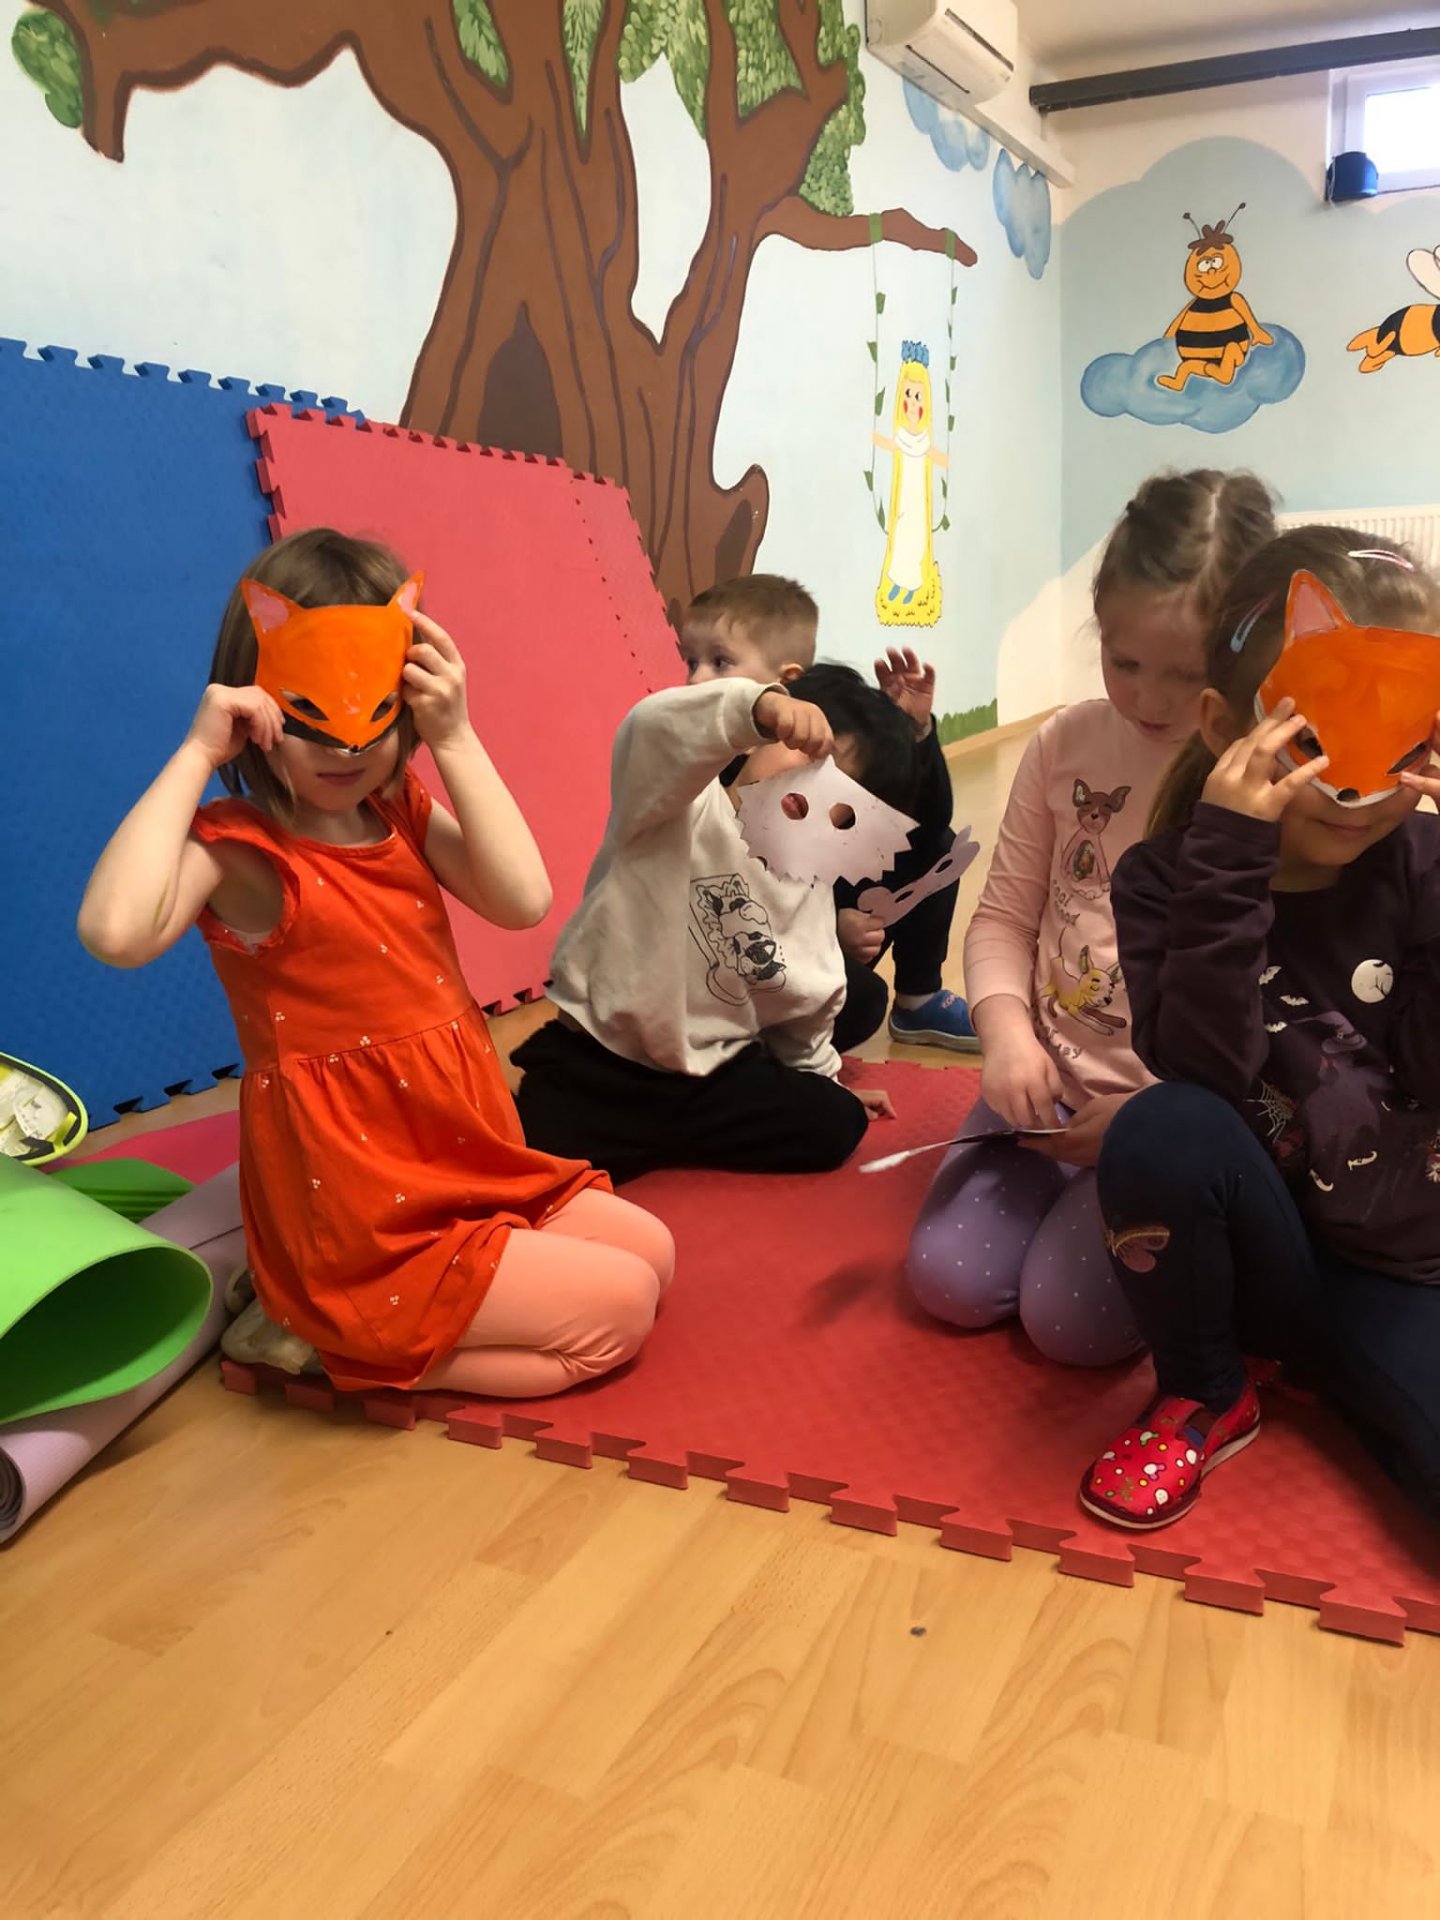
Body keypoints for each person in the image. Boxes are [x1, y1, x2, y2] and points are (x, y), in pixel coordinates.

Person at [77, 527, 673, 1399]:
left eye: (378, 719)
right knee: (617, 1313)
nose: (346, 751)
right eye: (311, 720)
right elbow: (114, 933)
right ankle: (322, 1343)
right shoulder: (241, 853)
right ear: (255, 706)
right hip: (360, 1205)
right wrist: (196, 754)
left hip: (462, 1157)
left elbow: (523, 899)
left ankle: (330, 1325)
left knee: (653, 1251)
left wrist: (456, 738)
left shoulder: (398, 810)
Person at [1085, 529, 1440, 1528]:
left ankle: (1347, 1374)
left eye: (1402, 742)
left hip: (1415, 1250)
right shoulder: (1168, 881)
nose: (1357, 788)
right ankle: (1207, 1389)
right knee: (1161, 1127)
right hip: (1285, 1260)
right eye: (1313, 741)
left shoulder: (1422, 863)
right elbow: (1205, 1072)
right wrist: (1230, 865)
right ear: (1222, 726)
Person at [906, 470, 1277, 1364]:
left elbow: (1273, 1008)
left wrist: (1155, 1118)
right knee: (948, 1282)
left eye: (1188, 676)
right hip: (1041, 1094)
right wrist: (1007, 1039)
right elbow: (1002, 920)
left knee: (1068, 1326)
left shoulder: (1259, 785)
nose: (1148, 700)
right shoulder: (1064, 743)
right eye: (1124, 661)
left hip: (1168, 1117)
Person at [513, 663, 912, 1182]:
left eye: (841, 791)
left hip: (713, 1075)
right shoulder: (680, 806)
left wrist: (824, 1084)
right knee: (524, 1159)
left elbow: (810, 1009)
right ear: (759, 740)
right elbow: (652, 729)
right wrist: (757, 707)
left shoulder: (810, 888)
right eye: (805, 753)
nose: (810, 785)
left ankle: (671, 1137)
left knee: (836, 1122)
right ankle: (649, 1137)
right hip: (600, 1062)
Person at [679, 574, 979, 1050]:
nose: (696, 680)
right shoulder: (700, 780)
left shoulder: (805, 754)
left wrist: (914, 734)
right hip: (718, 963)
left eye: (720, 663)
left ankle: (917, 999)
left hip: (799, 943)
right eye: (691, 662)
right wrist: (829, 931)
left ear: (784, 683)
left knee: (937, 847)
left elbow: (924, 831)